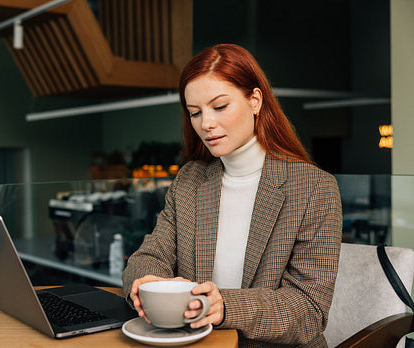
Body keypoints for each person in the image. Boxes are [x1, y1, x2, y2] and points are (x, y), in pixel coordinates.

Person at [122, 43, 342, 347]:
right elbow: (149, 255)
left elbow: (309, 310)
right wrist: (147, 284)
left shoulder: (314, 188)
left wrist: (223, 306)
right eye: (195, 113)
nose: (206, 124)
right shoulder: (190, 180)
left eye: (220, 106)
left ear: (254, 100)